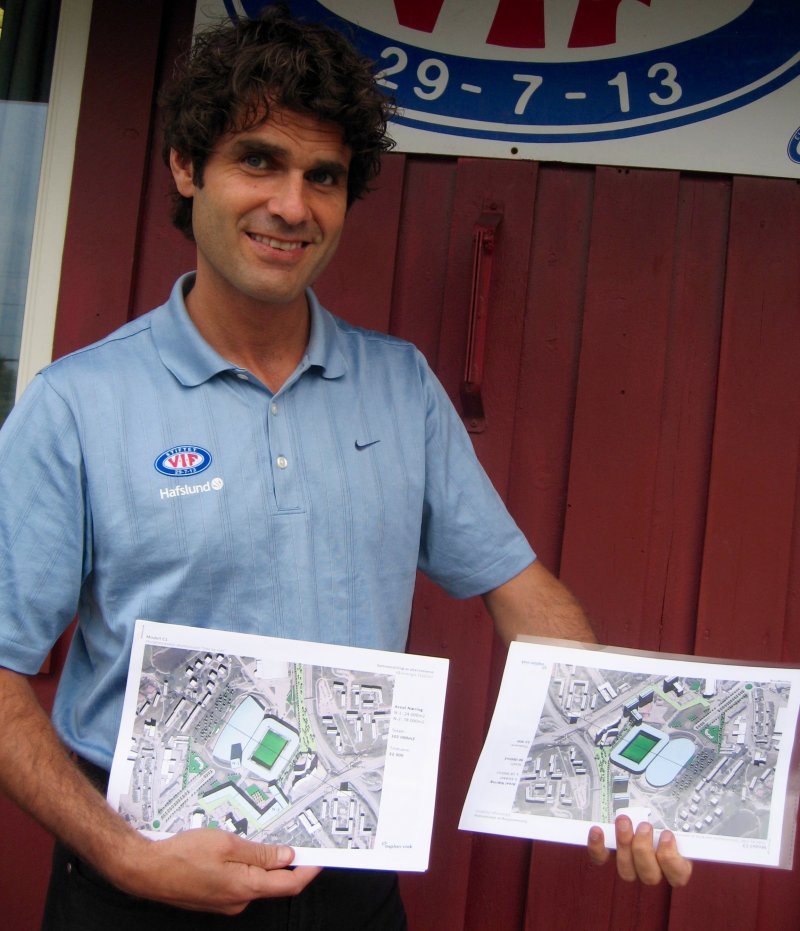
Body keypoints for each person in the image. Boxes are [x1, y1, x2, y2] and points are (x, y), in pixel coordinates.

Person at [0, 6, 691, 929]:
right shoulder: (79, 404)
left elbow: (519, 589)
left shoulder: (399, 388)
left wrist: (620, 769)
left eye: (322, 176)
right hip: (140, 884)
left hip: (352, 886)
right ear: (184, 166)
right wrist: (127, 856)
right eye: (258, 160)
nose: (292, 206)